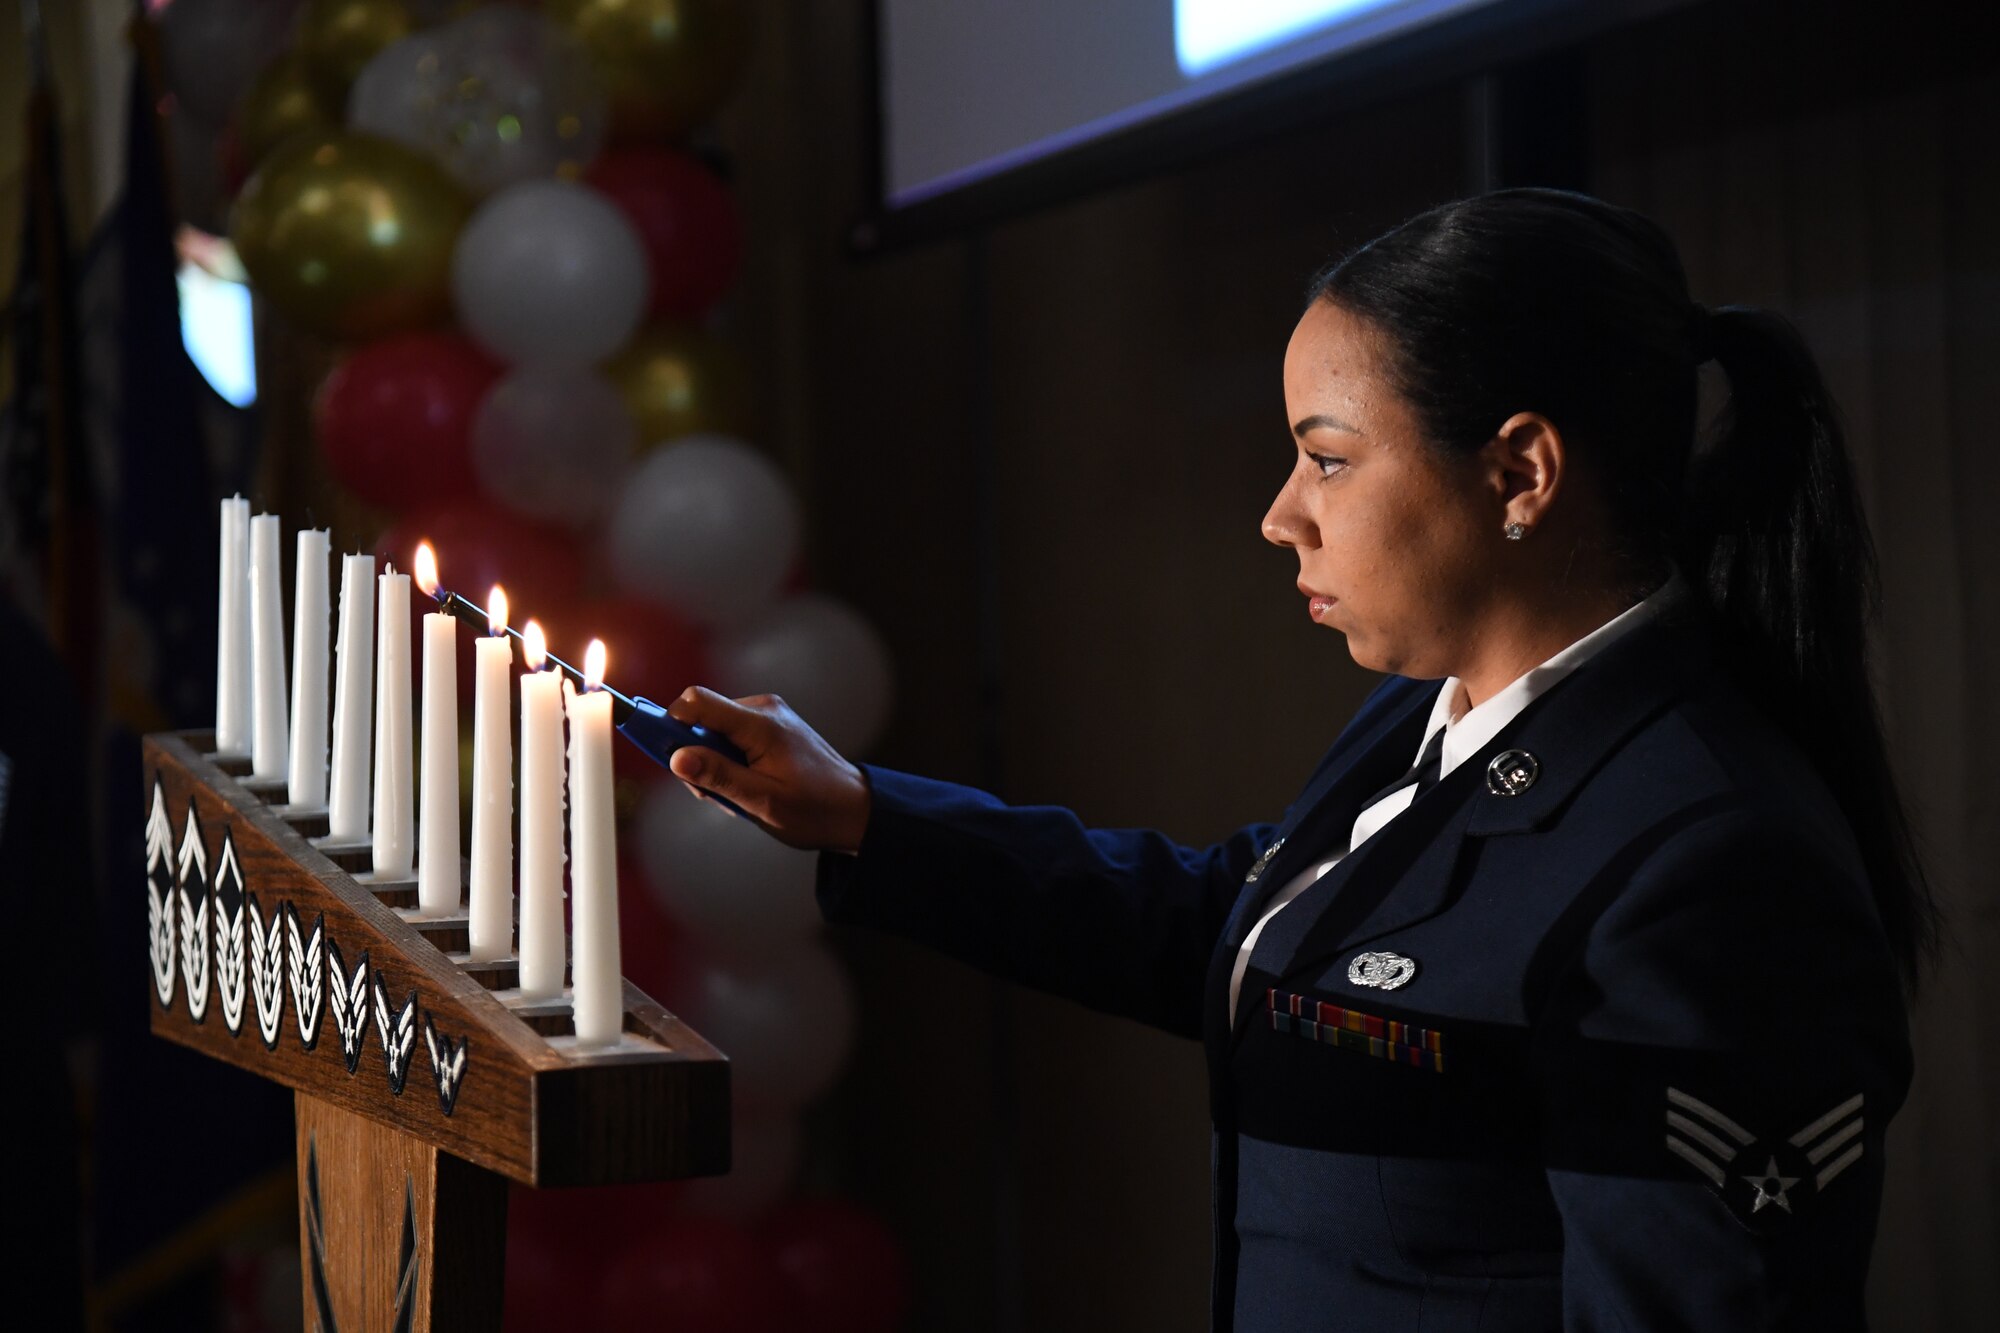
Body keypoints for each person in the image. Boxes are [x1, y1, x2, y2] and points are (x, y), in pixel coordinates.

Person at [661, 188, 1936, 1332]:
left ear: (1518, 472)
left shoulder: (1712, 862)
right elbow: (1249, 932)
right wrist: (870, 817)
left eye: (1326, 459)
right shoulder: (1427, 709)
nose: (1280, 515)